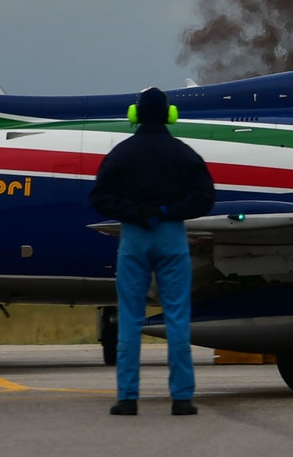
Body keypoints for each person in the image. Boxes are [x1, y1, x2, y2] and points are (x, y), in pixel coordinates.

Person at [89, 87, 217, 415]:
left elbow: (100, 196)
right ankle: (182, 398)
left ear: (135, 115)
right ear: (169, 115)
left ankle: (128, 398)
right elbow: (205, 197)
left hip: (134, 237)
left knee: (130, 318)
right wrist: (167, 212)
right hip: (171, 236)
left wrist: (137, 213)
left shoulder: (122, 153)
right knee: (177, 317)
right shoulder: (183, 154)